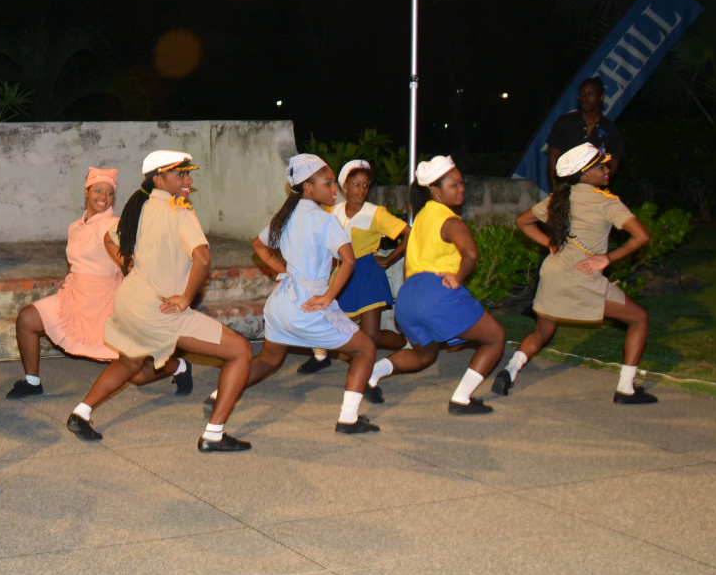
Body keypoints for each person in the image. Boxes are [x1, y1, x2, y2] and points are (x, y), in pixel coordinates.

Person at [68, 150, 255, 452]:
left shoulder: (138, 208)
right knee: (241, 351)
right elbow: (202, 259)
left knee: (130, 361)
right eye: (180, 174)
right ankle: (214, 434)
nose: (188, 180)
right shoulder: (180, 213)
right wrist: (185, 298)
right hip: (160, 309)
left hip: (129, 301)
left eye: (188, 174)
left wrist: (129, 267)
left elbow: (109, 239)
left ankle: (81, 413)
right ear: (158, 179)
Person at [215, 155, 381, 434]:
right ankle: (348, 419)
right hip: (308, 304)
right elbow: (349, 260)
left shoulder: (286, 216)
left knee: (268, 360)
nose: (334, 189)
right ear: (308, 187)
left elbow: (258, 246)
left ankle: (218, 397)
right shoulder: (324, 220)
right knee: (365, 349)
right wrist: (328, 297)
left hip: (281, 303)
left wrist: (284, 272)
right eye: (327, 183)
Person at [6, 167, 192, 398]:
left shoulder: (116, 226)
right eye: (98, 190)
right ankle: (32, 382)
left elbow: (133, 265)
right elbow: (74, 264)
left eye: (109, 193)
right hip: (75, 298)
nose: (103, 197)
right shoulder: (75, 227)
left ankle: (179, 366)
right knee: (27, 319)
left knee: (137, 375)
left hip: (106, 304)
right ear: (87, 192)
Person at [499, 143, 657, 403]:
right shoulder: (607, 202)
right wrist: (607, 258)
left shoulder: (558, 199)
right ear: (584, 175)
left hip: (553, 272)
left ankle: (510, 370)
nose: (607, 169)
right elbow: (642, 236)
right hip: (582, 276)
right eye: (600, 166)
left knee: (543, 331)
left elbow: (522, 221)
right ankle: (626, 389)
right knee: (639, 318)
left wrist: (550, 244)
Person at [378, 156, 506, 414]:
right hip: (436, 292)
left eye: (461, 183)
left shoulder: (420, 219)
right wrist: (458, 277)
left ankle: (371, 374)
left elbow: (407, 265)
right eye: (454, 185)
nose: (461, 189)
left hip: (408, 296)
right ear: (436, 191)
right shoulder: (451, 221)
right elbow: (471, 254)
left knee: (425, 354)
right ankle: (461, 399)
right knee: (495, 337)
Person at [332, 160, 409, 350]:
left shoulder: (375, 213)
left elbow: (409, 233)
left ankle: (408, 345)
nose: (362, 190)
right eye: (356, 184)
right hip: (342, 273)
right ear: (345, 186)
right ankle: (332, 358)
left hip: (368, 274)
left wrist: (389, 260)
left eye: (366, 185)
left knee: (372, 335)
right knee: (337, 330)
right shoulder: (334, 212)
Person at [545, 76, 625, 188]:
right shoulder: (565, 122)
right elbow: (553, 157)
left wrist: (597, 179)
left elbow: (613, 165)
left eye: (590, 94)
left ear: (601, 98)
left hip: (594, 190)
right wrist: (556, 187)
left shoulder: (610, 129)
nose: (584, 98)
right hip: (566, 188)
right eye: (582, 94)